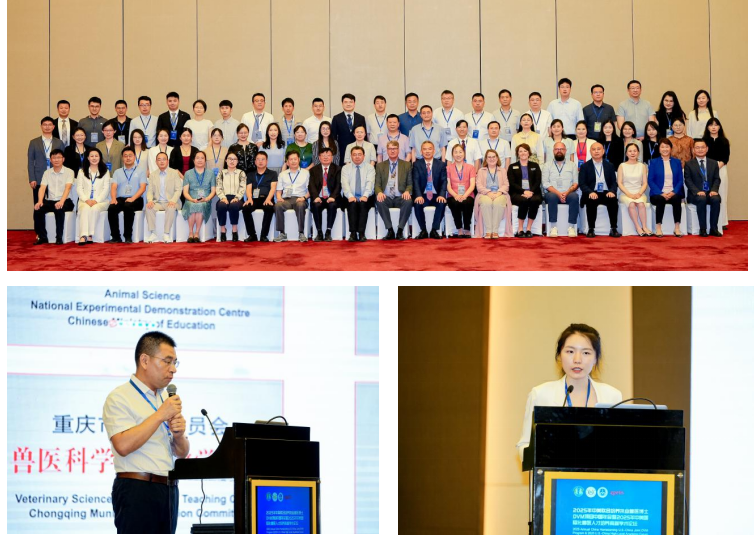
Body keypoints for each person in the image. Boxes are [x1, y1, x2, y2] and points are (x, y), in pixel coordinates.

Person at [102, 331, 188, 534]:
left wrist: (178, 435)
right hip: (137, 489)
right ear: (145, 360)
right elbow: (122, 445)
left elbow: (182, 453)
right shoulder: (120, 397)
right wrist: (160, 415)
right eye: (167, 361)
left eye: (175, 362)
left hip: (168, 490)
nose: (173, 369)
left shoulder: (165, 398)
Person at [516, 323, 622, 462]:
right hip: (554, 474)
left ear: (596, 358)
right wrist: (543, 457)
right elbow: (524, 445)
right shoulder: (541, 394)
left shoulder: (612, 396)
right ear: (560, 355)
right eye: (570, 351)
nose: (577, 360)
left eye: (586, 353)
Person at [578, 141, 620, 237]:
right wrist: (590, 192)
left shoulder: (610, 165)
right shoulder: (584, 166)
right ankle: (591, 229)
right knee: (591, 200)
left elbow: (614, 182)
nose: (596, 151)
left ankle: (613, 228)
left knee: (613, 200)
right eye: (593, 149)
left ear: (603, 151)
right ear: (590, 152)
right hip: (591, 192)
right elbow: (582, 184)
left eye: (598, 149)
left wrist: (612, 191)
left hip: (606, 192)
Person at [32, 149, 75, 245]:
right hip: (50, 201)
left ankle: (59, 238)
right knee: (38, 209)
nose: (56, 160)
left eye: (59, 157)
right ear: (50, 160)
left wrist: (61, 201)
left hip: (66, 201)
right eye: (54, 158)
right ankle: (42, 237)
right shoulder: (47, 173)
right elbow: (42, 188)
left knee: (59, 208)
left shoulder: (69, 172)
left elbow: (68, 188)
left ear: (63, 159)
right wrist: (40, 201)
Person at [107, 146, 147, 243]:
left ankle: (128, 236)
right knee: (112, 208)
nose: (128, 158)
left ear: (134, 157)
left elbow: (142, 188)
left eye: (130, 155)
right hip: (121, 198)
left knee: (128, 206)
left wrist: (133, 198)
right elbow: (113, 187)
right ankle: (116, 236)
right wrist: (113, 199)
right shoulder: (117, 172)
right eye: (125, 156)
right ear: (122, 158)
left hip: (136, 199)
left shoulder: (141, 171)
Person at [374, 140, 412, 240]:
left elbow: (410, 183)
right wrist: (379, 192)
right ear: (387, 150)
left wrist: (407, 191)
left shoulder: (406, 165)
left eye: (394, 148)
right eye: (390, 149)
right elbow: (377, 184)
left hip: (400, 196)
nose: (392, 151)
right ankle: (390, 230)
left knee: (408, 201)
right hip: (386, 196)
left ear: (398, 150)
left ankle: (400, 230)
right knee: (379, 201)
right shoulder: (380, 166)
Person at [684, 138, 722, 237]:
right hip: (695, 194)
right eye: (697, 148)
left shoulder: (714, 163)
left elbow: (717, 179)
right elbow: (688, 181)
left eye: (702, 147)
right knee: (701, 199)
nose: (700, 150)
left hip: (710, 192)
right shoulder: (689, 164)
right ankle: (703, 229)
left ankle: (714, 228)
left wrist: (714, 190)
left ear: (707, 149)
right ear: (693, 150)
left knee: (716, 199)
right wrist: (697, 191)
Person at [647, 138, 684, 237]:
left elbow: (680, 180)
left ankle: (677, 228)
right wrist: (661, 193)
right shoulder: (653, 162)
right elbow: (650, 180)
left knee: (677, 198)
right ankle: (658, 227)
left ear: (671, 148)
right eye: (662, 147)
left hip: (673, 193)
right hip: (657, 194)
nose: (665, 149)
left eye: (667, 147)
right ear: (659, 149)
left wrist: (674, 192)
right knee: (660, 199)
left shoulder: (677, 162)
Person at [542, 142, 579, 237]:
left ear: (565, 151)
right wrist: (559, 193)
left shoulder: (572, 165)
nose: (559, 151)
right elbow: (545, 183)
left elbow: (575, 183)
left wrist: (567, 192)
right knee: (552, 197)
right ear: (553, 151)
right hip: (552, 193)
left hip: (568, 193)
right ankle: (553, 227)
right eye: (557, 149)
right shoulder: (547, 165)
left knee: (575, 197)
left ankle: (571, 227)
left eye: (561, 149)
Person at [411, 141, 447, 239]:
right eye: (425, 149)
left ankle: (434, 230)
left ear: (434, 151)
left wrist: (441, 195)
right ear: (421, 151)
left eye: (430, 149)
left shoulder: (441, 165)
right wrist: (418, 195)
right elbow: (415, 181)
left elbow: (444, 181)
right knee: (417, 203)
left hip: (436, 195)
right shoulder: (417, 164)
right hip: (423, 194)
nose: (427, 151)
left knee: (442, 202)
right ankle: (423, 230)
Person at [28, 116, 64, 213]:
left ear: (53, 127)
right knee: (38, 206)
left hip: (55, 177)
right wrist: (32, 178)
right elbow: (30, 161)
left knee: (54, 205)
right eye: (45, 125)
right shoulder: (34, 142)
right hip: (39, 177)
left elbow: (62, 161)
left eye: (49, 125)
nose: (47, 127)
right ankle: (39, 224)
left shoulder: (59, 142)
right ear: (41, 126)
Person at [144, 152, 183, 243]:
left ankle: (166, 233)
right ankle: (153, 233)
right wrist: (150, 200)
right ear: (156, 162)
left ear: (167, 161)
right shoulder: (153, 175)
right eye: (159, 160)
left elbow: (178, 189)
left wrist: (173, 200)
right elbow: (150, 191)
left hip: (172, 201)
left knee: (171, 207)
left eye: (164, 159)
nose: (161, 162)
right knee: (149, 207)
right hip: (158, 202)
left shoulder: (174, 173)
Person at [473, 149, 512, 239]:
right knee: (486, 203)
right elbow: (479, 186)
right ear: (486, 159)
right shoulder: (481, 170)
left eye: (493, 157)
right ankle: (488, 231)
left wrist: (499, 192)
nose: (491, 159)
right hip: (484, 194)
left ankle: (495, 231)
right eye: (489, 157)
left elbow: (506, 185)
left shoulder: (503, 170)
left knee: (498, 203)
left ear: (497, 158)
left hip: (500, 194)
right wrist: (488, 192)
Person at [76, 148, 111, 245]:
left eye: (96, 156)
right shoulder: (81, 171)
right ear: (88, 158)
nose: (94, 158)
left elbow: (106, 189)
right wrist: (86, 199)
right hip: (85, 200)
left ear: (100, 157)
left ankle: (90, 234)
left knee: (95, 208)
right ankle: (83, 235)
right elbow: (79, 188)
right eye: (92, 156)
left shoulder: (105, 171)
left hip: (101, 201)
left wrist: (96, 200)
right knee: (85, 209)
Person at [274, 150, 310, 242]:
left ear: (299, 160)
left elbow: (310, 190)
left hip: (301, 198)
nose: (293, 161)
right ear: (287, 162)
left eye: (295, 159)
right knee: (278, 205)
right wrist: (279, 197)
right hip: (286, 199)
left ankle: (301, 233)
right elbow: (279, 190)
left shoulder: (306, 173)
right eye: (291, 159)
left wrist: (304, 198)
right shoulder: (282, 174)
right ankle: (282, 233)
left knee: (300, 205)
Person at [341, 146, 376, 242]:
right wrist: (350, 196)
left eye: (359, 154)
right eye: (354, 155)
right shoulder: (345, 168)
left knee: (363, 204)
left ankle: (361, 233)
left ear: (364, 156)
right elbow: (345, 184)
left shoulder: (370, 168)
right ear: (351, 156)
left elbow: (370, 183)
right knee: (352, 204)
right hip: (349, 196)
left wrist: (365, 195)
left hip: (366, 196)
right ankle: (353, 233)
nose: (357, 157)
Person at [181, 151, 216, 243]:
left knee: (201, 205)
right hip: (191, 199)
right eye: (197, 158)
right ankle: (190, 233)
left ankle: (196, 233)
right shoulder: (188, 173)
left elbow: (213, 191)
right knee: (192, 205)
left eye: (202, 158)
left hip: (205, 199)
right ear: (193, 160)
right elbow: (185, 192)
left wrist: (207, 199)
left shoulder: (211, 173)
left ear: (205, 160)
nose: (200, 160)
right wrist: (192, 199)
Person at [308, 147, 342, 241]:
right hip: (319, 197)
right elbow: (311, 185)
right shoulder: (313, 170)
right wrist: (315, 197)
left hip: (332, 197)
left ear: (332, 157)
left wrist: (333, 196)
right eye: (323, 155)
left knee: (332, 205)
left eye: (328, 155)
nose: (326, 157)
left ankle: (328, 232)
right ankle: (319, 232)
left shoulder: (338, 169)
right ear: (319, 157)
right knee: (316, 205)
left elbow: (338, 185)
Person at [242, 151, 278, 242]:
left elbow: (273, 188)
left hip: (266, 198)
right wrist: (249, 198)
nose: (260, 161)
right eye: (258, 159)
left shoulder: (273, 173)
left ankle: (263, 235)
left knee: (269, 208)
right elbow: (248, 188)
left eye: (263, 159)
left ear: (267, 161)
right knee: (246, 208)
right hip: (254, 199)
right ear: (255, 161)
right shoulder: (250, 174)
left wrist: (268, 199)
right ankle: (252, 235)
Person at [508, 143, 542, 237]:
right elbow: (512, 183)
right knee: (524, 200)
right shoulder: (512, 166)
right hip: (517, 193)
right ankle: (520, 229)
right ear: (517, 154)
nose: (523, 153)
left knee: (535, 200)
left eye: (525, 151)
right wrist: (524, 191)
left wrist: (530, 192)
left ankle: (528, 229)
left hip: (533, 192)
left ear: (529, 153)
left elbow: (538, 181)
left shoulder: (535, 165)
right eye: (520, 151)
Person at [617, 143, 651, 236]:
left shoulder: (642, 166)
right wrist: (629, 194)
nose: (632, 153)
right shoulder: (622, 166)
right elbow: (620, 183)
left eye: (635, 151)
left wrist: (639, 193)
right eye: (630, 151)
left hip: (639, 193)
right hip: (625, 194)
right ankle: (638, 227)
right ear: (626, 153)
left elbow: (645, 183)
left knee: (641, 204)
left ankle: (644, 227)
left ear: (638, 153)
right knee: (631, 204)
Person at [703, 117, 730, 228]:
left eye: (716, 125)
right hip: (706, 169)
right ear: (707, 127)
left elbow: (725, 158)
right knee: (709, 194)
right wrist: (710, 167)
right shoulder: (704, 141)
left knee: (722, 194)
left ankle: (722, 222)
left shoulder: (724, 141)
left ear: (719, 127)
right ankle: (709, 222)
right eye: (711, 125)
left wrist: (717, 166)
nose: (713, 127)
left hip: (721, 168)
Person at [445, 144, 476, 237]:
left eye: (460, 152)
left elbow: (472, 185)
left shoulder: (471, 167)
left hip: (468, 194)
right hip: (453, 195)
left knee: (467, 202)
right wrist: (456, 195)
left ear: (464, 153)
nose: (458, 154)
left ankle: (467, 228)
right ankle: (459, 229)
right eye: (455, 152)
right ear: (452, 155)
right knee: (455, 203)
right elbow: (448, 185)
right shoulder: (448, 168)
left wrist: (464, 195)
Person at [215, 150, 246, 242]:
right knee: (221, 206)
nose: (232, 161)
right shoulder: (221, 173)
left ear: (237, 161)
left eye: (234, 159)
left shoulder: (241, 173)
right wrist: (223, 197)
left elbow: (242, 187)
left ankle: (234, 231)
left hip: (237, 198)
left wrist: (237, 198)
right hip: (224, 197)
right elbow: (218, 187)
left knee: (234, 205)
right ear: (226, 160)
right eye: (230, 159)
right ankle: (223, 230)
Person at [331, 93, 367, 164]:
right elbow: (333, 137)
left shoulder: (361, 118)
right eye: (346, 102)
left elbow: (364, 136)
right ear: (342, 104)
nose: (348, 104)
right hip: (342, 151)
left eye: (351, 102)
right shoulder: (336, 118)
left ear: (354, 103)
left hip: (358, 151)